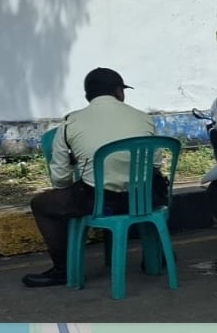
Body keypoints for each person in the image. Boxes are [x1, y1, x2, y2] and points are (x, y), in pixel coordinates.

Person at [23, 68, 158, 288]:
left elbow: (60, 180)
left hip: (98, 203)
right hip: (143, 201)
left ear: (88, 96)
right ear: (119, 92)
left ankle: (63, 270)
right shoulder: (144, 118)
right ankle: (155, 256)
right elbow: (155, 164)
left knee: (41, 204)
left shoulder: (71, 123)